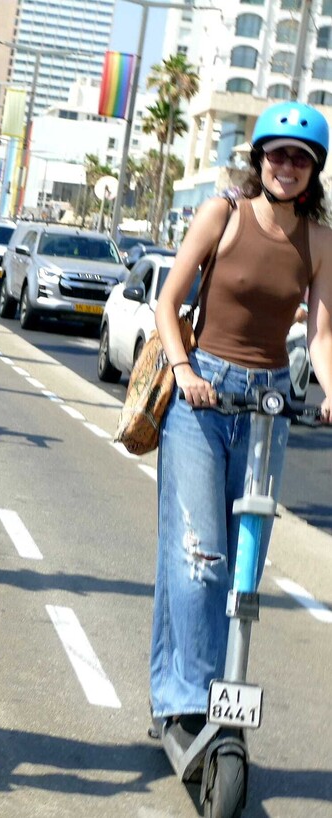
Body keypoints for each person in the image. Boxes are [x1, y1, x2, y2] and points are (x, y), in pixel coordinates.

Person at [150, 101, 332, 738]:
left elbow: (321, 334)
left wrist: (331, 389)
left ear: (314, 170)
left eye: (301, 158)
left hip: (269, 403)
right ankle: (188, 700)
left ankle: (199, 692)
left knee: (241, 568)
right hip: (203, 394)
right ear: (260, 158)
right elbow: (168, 302)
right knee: (198, 556)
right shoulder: (223, 213)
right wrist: (185, 371)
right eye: (278, 154)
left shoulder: (319, 241)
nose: (288, 166)